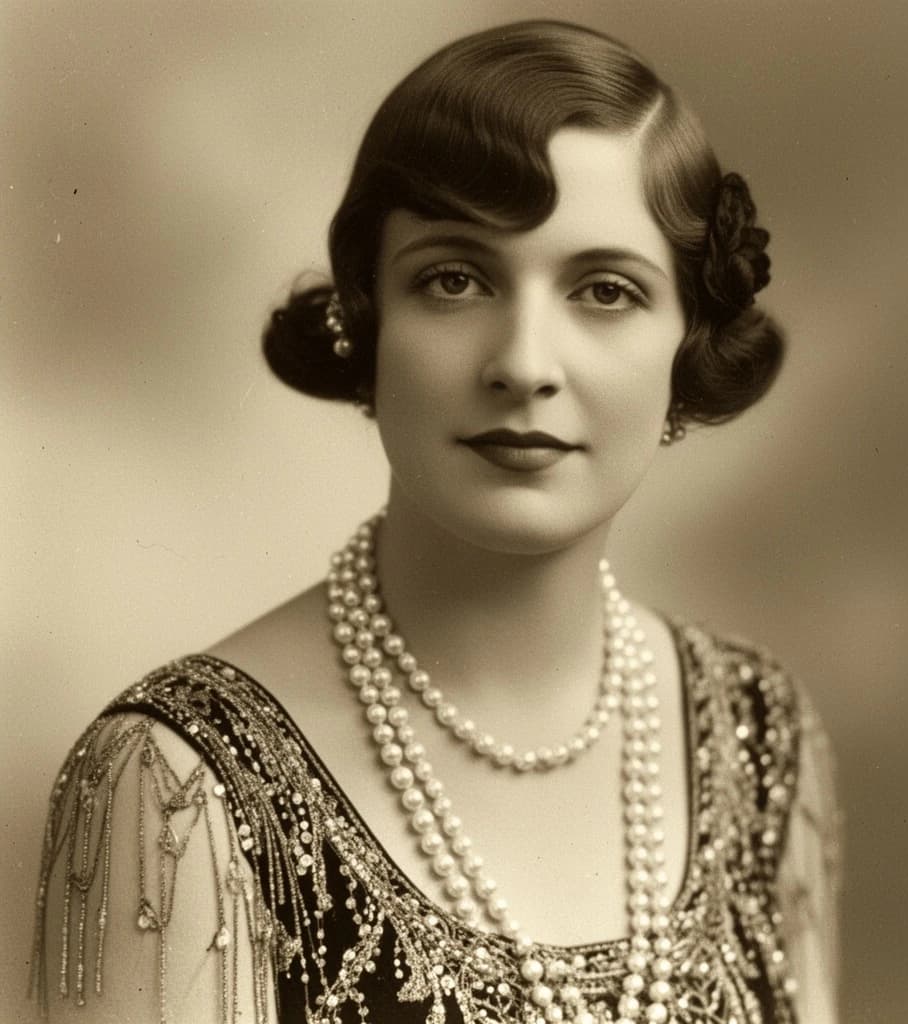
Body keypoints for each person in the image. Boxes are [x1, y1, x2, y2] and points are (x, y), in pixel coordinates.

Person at [30, 20, 840, 1024]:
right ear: (366, 323)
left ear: (688, 342)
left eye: (604, 290)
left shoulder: (763, 736)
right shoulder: (177, 782)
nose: (525, 361)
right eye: (454, 279)